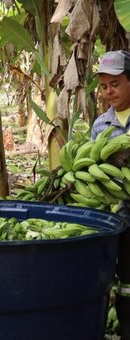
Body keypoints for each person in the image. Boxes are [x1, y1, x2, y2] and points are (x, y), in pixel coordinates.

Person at [91, 50, 130, 340]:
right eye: (104, 86)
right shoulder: (101, 125)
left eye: (115, 84)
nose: (108, 92)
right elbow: (93, 167)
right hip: (118, 214)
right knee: (124, 280)